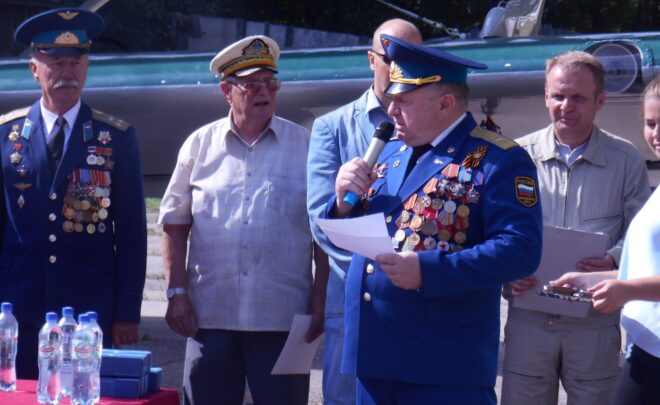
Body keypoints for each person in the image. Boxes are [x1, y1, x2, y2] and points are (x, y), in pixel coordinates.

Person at [325, 34, 543, 404]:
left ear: (445, 104)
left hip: (442, 365)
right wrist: (343, 205)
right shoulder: (390, 153)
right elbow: (367, 230)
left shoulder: (498, 159)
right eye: (391, 99)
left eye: (403, 101)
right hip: (375, 359)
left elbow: (520, 250)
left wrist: (429, 271)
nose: (391, 110)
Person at [159, 35, 327, 405]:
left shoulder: (306, 145)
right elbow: (174, 224)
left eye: (270, 83)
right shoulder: (199, 145)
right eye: (252, 84)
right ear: (226, 90)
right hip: (209, 318)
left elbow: (323, 231)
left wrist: (321, 296)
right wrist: (176, 293)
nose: (264, 91)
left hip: (283, 319)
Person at [0, 8, 147, 379]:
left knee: (84, 395)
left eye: (76, 63)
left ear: (87, 67)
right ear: (34, 69)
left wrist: (127, 312)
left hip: (88, 312)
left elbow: (131, 232)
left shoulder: (115, 138)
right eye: (56, 63)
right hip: (18, 307)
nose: (67, 73)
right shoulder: (6, 135)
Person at [501, 51, 651, 405]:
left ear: (600, 101)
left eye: (578, 98)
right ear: (545, 97)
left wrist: (613, 260)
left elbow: (639, 231)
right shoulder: (516, 156)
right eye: (558, 96)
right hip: (529, 319)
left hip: (593, 321)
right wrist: (508, 271)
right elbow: (497, 228)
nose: (566, 106)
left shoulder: (625, 159)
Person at [306, 18, 421, 405]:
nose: (401, 69)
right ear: (371, 60)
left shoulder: (437, 130)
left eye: (412, 59)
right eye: (392, 59)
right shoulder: (333, 128)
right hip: (354, 303)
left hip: (418, 303)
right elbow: (320, 225)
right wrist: (342, 202)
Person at [550, 76, 660, 405]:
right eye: (651, 123)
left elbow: (637, 283)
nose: (656, 134)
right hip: (646, 347)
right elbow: (646, 268)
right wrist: (592, 280)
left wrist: (625, 291)